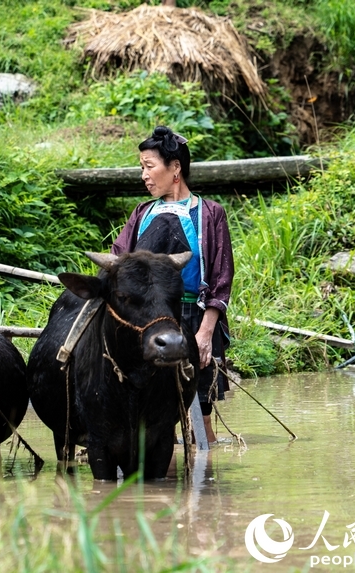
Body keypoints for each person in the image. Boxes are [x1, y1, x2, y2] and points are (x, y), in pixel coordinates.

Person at [111, 125, 234, 444]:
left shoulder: (209, 213)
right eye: (142, 168)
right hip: (147, 320)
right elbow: (119, 261)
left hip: (193, 317)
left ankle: (206, 481)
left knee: (201, 419)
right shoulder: (141, 214)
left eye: (149, 166)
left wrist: (206, 333)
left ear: (175, 168)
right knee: (149, 411)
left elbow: (221, 279)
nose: (144, 176)